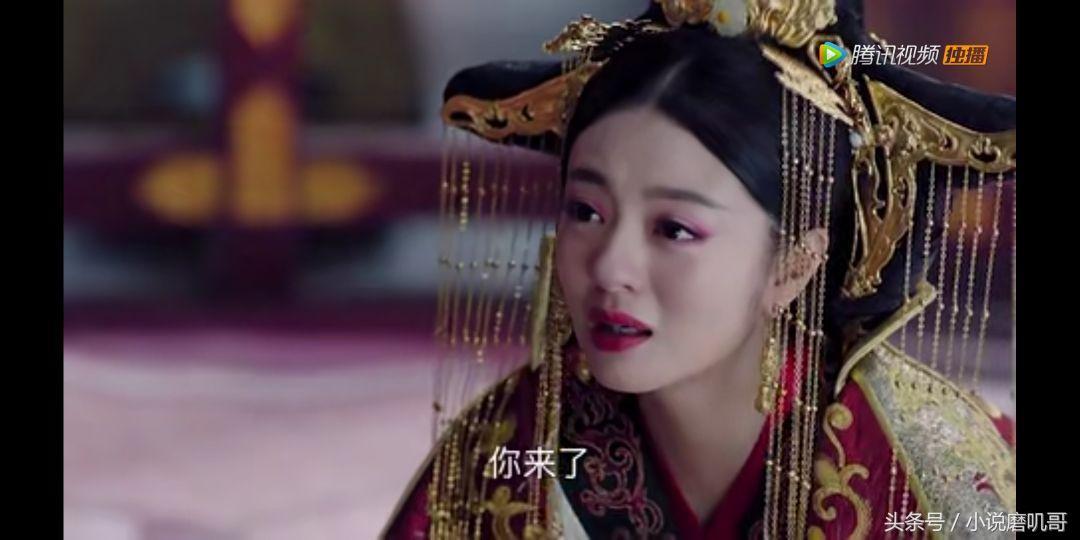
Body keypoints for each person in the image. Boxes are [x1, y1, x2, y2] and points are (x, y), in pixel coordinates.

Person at [385, 1, 1016, 538]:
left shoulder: (922, 477)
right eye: (586, 211)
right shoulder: (519, 448)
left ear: (794, 264)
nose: (610, 266)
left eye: (674, 229)